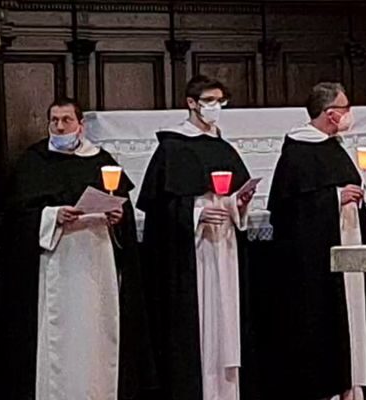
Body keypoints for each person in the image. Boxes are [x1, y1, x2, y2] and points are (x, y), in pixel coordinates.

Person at [0, 98, 156, 399]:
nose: (59, 126)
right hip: (57, 262)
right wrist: (52, 216)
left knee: (96, 335)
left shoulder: (102, 161)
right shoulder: (34, 161)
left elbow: (124, 211)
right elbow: (16, 218)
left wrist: (119, 218)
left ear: (80, 124)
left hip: (97, 263)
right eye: (54, 120)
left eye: (66, 120)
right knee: (60, 338)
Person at [138, 75, 255, 400]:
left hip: (225, 248)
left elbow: (230, 194)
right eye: (209, 100)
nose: (215, 107)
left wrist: (238, 203)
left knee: (226, 322)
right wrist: (195, 213)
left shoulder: (223, 147)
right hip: (193, 252)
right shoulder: (173, 147)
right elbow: (160, 207)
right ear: (191, 103)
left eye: (220, 101)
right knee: (199, 327)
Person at [257, 82, 366, 400]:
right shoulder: (299, 150)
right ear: (330, 114)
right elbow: (287, 207)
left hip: (345, 245)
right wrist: (335, 197)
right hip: (313, 261)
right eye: (345, 108)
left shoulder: (333, 146)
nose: (350, 114)